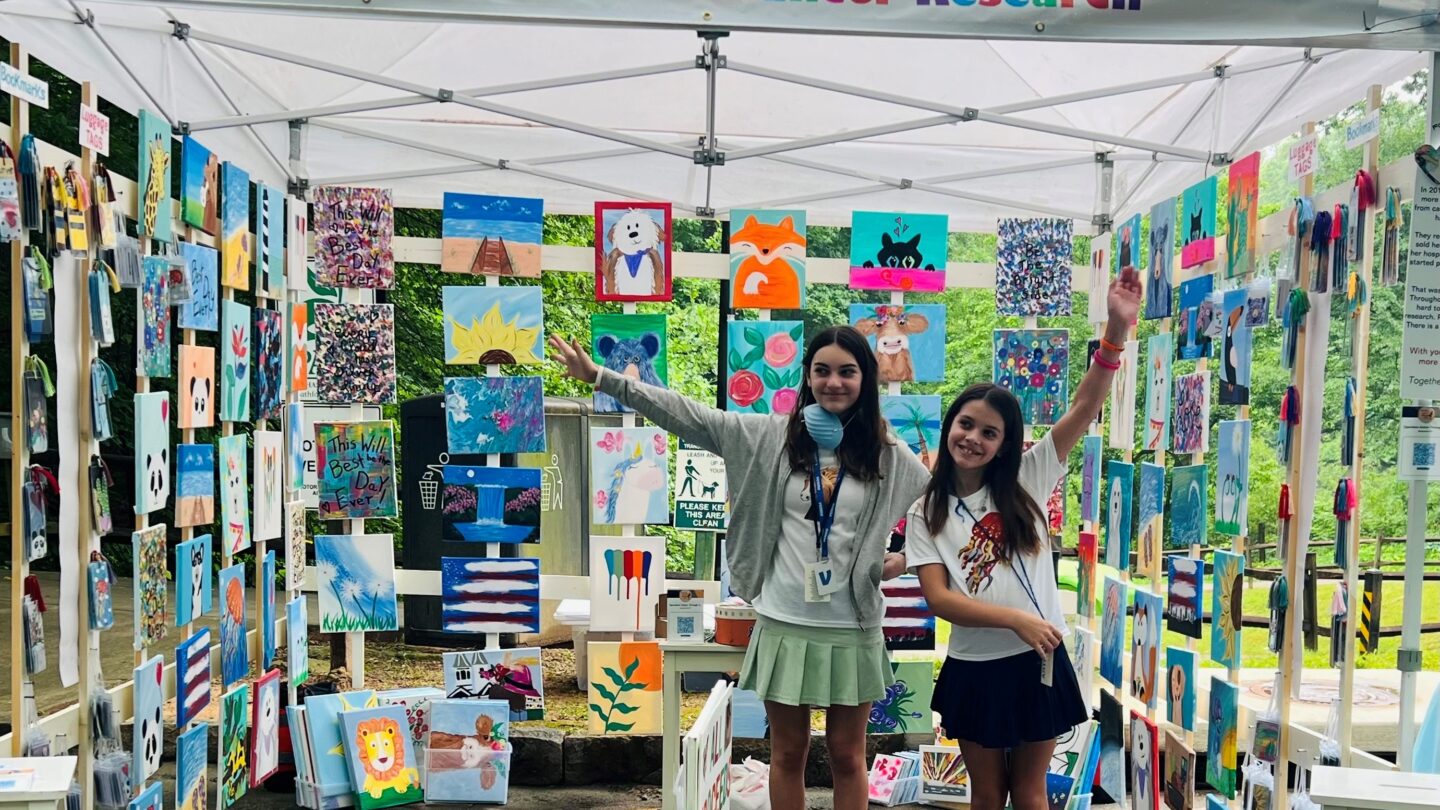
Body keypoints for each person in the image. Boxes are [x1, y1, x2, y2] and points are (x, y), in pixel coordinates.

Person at [549, 326, 928, 810]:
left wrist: (906, 557)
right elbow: (688, 415)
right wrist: (602, 377)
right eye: (822, 370)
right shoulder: (768, 437)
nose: (834, 382)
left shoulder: (887, 453)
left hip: (852, 625)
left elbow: (939, 504)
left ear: (865, 379)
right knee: (787, 753)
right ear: (808, 377)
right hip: (784, 621)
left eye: (847, 372)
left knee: (848, 756)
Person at [903, 267, 1142, 810]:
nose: (973, 438)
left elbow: (1084, 407)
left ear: (1005, 444)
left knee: (1031, 792)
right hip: (974, 667)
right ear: (949, 425)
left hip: (1040, 660)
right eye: (966, 424)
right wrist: (1016, 620)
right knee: (988, 793)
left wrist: (1116, 330)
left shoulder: (1028, 479)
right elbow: (939, 600)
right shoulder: (926, 511)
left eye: (990, 432)